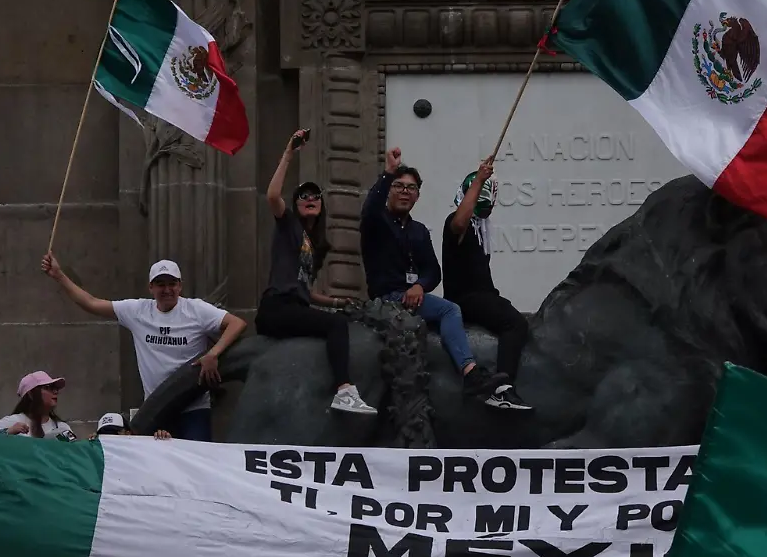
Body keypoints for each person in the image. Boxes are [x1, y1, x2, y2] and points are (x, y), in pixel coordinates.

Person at [361, 147, 517, 409]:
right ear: (389, 190)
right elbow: (370, 208)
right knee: (449, 310)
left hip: (413, 296)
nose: (404, 192)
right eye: (398, 186)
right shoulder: (376, 222)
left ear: (417, 196)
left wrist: (420, 286)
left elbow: (433, 270)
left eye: (411, 188)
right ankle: (470, 373)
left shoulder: (419, 231)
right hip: (387, 297)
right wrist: (388, 173)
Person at [41, 254, 248, 441]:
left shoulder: (197, 310)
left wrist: (213, 354)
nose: (167, 290)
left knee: (198, 466)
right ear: (151, 287)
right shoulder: (138, 310)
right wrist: (59, 276)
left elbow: (237, 324)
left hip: (194, 407)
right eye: (160, 284)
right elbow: (91, 303)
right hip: (156, 409)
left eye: (172, 284)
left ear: (180, 286)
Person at [256, 128, 376, 415]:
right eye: (303, 196)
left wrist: (336, 302)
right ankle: (344, 389)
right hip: (277, 307)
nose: (310, 198)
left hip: (295, 305)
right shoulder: (289, 227)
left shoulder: (315, 246)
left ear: (321, 206)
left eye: (315, 196)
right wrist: (289, 154)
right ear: (296, 206)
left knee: (337, 318)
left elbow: (306, 291)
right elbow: (273, 195)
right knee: (336, 327)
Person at [441, 160, 531, 410]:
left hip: (483, 294)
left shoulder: (481, 229)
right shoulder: (457, 224)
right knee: (514, 322)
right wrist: (479, 179)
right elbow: (460, 221)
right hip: (466, 297)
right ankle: (502, 389)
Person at [0, 371, 75, 440]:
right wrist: (7, 433)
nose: (55, 392)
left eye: (55, 388)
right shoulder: (14, 421)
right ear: (31, 394)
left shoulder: (62, 427)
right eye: (48, 387)